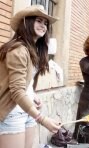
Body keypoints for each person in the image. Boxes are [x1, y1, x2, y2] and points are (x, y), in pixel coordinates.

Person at [0, 5, 61, 148]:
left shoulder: (32, 50)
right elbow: (16, 91)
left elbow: (24, 83)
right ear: (27, 22)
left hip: (27, 111)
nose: (43, 26)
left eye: (45, 23)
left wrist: (32, 95)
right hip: (11, 113)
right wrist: (42, 119)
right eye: (39, 21)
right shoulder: (18, 50)